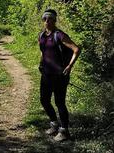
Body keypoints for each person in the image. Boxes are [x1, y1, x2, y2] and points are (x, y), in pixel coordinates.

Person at [38, 9, 81, 142]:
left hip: (59, 76)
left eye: (50, 19)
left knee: (59, 103)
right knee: (44, 100)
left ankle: (64, 131)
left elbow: (76, 49)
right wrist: (41, 63)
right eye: (45, 19)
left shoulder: (59, 35)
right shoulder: (42, 35)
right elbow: (43, 51)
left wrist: (69, 66)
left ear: (54, 20)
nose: (47, 21)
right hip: (46, 74)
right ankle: (54, 123)